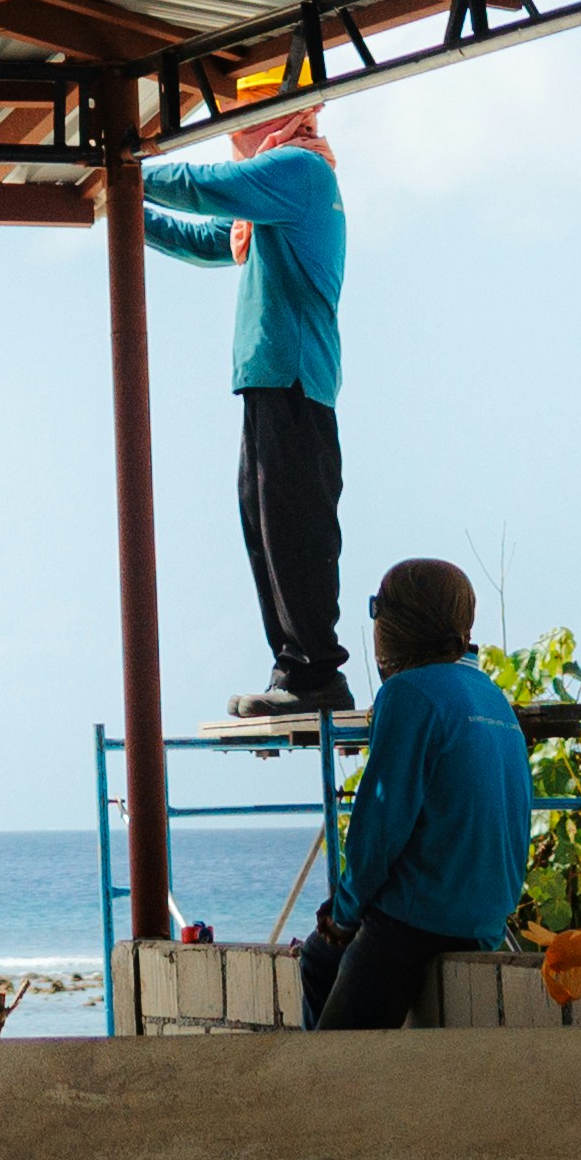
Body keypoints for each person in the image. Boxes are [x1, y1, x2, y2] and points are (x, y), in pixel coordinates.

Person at [136, 88, 349, 717]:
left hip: (293, 380)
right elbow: (202, 235)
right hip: (271, 381)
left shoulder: (299, 169)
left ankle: (315, 673)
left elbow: (204, 187)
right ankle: (297, 669)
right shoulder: (265, 204)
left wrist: (122, 173)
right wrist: (117, 207)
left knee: (293, 529)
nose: (236, 133)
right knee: (267, 528)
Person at [304, 558, 524, 1033]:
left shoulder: (409, 693)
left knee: (331, 1057)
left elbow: (378, 829)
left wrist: (343, 914)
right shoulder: (493, 696)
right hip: (486, 922)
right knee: (321, 959)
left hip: (416, 923)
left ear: (395, 624)